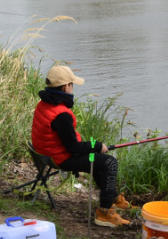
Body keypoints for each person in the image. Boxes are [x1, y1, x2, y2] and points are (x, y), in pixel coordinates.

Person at [31, 65, 134, 228]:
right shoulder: (61, 115)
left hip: (46, 153)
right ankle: (105, 213)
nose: (73, 88)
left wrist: (94, 146)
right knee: (109, 163)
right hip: (60, 158)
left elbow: (70, 142)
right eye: (72, 85)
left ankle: (113, 198)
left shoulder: (44, 103)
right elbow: (74, 147)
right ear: (66, 87)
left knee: (100, 162)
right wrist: (97, 145)